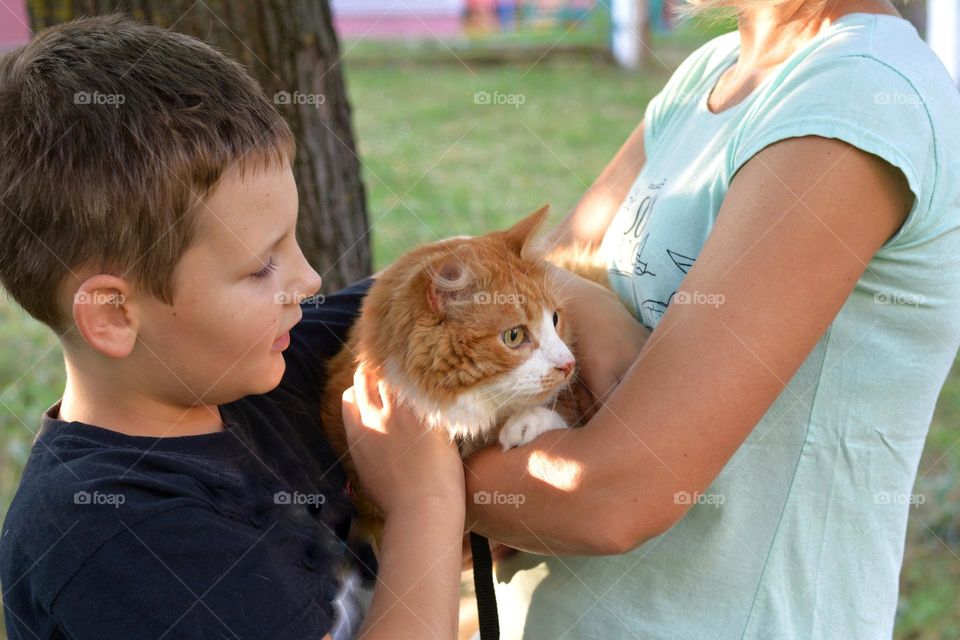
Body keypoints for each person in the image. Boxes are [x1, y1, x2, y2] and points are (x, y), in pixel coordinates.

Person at [435, 0, 958, 637]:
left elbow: (610, 497)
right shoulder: (709, 76)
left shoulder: (856, 94)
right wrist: (590, 305)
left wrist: (421, 489)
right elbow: (526, 286)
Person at [0, 15, 465, 640]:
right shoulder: (116, 534)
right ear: (114, 315)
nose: (307, 279)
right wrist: (425, 506)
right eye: (261, 266)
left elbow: (473, 269)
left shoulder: (271, 369)